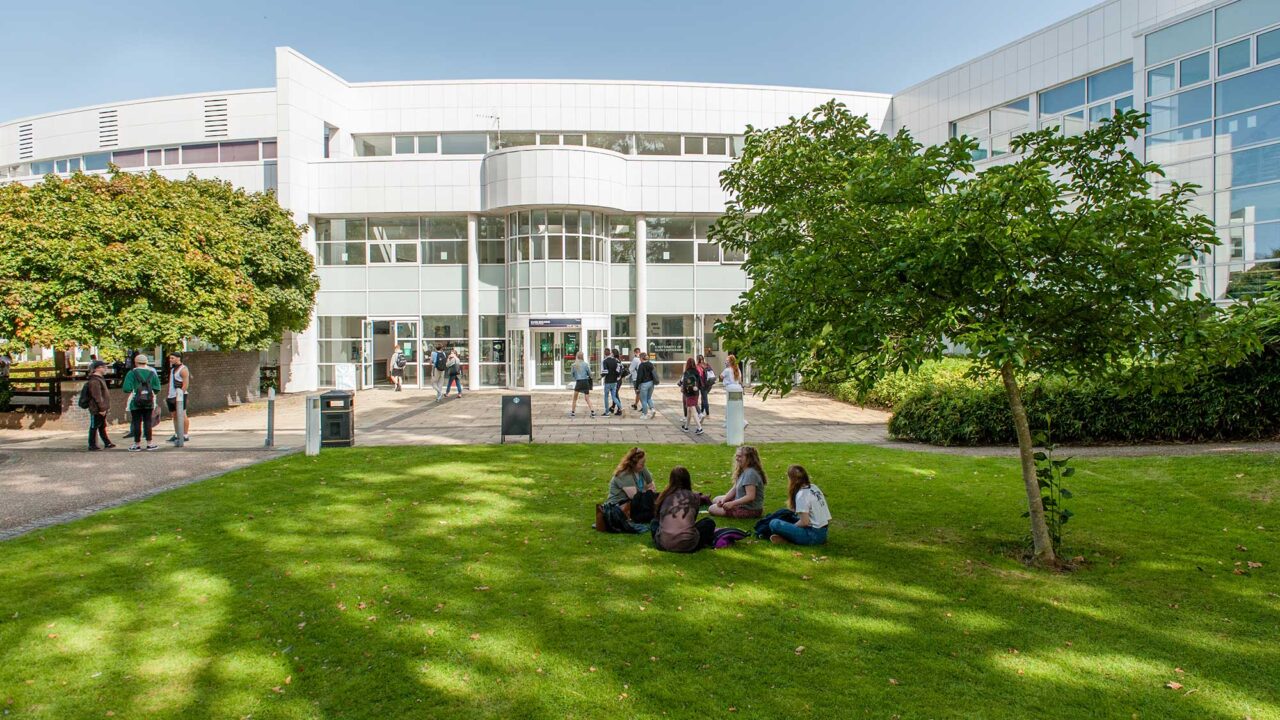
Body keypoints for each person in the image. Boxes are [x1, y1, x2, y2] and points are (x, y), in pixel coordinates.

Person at [652, 466, 716, 553]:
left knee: (654, 523)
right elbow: (693, 520)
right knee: (709, 523)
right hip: (688, 544)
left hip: (663, 544)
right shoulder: (694, 497)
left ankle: (667, 537)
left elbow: (659, 518)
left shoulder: (664, 496)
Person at [767, 465, 831, 545]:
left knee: (774, 523)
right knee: (790, 516)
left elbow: (805, 522)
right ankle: (786, 538)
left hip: (812, 535)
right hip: (823, 532)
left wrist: (791, 528)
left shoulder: (801, 495)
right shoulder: (814, 487)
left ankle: (788, 538)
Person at [709, 445, 766, 518]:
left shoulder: (750, 473)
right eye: (737, 456)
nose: (737, 459)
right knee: (716, 499)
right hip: (740, 502)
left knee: (712, 508)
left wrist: (732, 503)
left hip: (750, 509)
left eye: (740, 456)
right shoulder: (743, 470)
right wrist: (724, 500)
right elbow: (735, 488)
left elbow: (750, 496)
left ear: (749, 458)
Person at [122, 353, 161, 451]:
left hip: (135, 402)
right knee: (148, 422)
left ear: (135, 363)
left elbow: (126, 388)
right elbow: (157, 388)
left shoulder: (131, 373)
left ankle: (137, 444)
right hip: (149, 402)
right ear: (146, 362)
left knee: (136, 422)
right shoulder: (152, 373)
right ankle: (149, 443)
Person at [85, 360, 114, 451]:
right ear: (97, 368)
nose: (105, 368)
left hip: (102, 407)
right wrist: (101, 408)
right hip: (96, 408)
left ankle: (107, 442)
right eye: (103, 367)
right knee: (94, 426)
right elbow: (96, 395)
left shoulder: (99, 379)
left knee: (102, 426)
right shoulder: (94, 380)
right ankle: (92, 444)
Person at [166, 352, 191, 443]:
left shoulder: (183, 369)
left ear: (178, 358)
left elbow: (185, 385)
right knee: (174, 415)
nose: (170, 360)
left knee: (183, 414)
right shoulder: (173, 369)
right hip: (171, 395)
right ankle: (177, 434)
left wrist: (179, 396)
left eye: (172, 358)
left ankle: (185, 434)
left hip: (180, 395)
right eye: (170, 358)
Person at [721, 353, 748, 428]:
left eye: (727, 361)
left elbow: (721, 376)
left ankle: (728, 421)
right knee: (737, 406)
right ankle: (742, 421)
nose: (725, 362)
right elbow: (740, 381)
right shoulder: (737, 370)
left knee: (729, 405)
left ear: (730, 362)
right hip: (737, 388)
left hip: (730, 389)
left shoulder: (727, 370)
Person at [678, 357, 705, 435]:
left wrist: (683, 389)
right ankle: (686, 427)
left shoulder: (686, 372)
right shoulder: (696, 372)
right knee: (689, 410)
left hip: (689, 393)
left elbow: (684, 383)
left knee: (693, 410)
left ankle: (699, 428)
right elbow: (700, 383)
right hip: (696, 393)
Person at [569, 351, 596, 418]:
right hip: (585, 382)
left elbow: (572, 374)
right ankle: (592, 411)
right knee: (587, 398)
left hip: (579, 382)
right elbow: (589, 374)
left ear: (577, 356)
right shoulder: (585, 364)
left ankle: (573, 412)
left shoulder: (574, 365)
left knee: (575, 398)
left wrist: (576, 377)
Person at [635, 351, 657, 419]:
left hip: (644, 384)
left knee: (643, 399)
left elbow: (639, 377)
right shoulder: (650, 364)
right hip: (651, 383)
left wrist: (637, 386)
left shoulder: (641, 365)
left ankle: (645, 414)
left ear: (641, 358)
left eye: (639, 358)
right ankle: (652, 409)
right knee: (649, 398)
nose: (639, 359)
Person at [601, 348, 622, 417]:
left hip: (608, 381)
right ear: (610, 353)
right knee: (614, 397)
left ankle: (607, 412)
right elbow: (618, 371)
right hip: (614, 381)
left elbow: (605, 371)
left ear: (604, 353)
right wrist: (617, 377)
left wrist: (601, 376)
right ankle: (621, 407)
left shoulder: (605, 361)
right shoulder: (615, 361)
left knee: (606, 397)